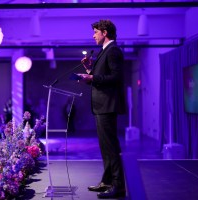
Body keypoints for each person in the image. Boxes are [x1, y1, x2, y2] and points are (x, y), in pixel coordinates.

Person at [78, 19, 126, 199]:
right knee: (105, 147)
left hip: (107, 105)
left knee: (111, 147)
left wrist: (92, 79)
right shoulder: (104, 52)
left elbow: (115, 77)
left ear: (105, 32)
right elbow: (102, 77)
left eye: (96, 32)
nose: (93, 35)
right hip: (101, 106)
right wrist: (90, 70)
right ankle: (107, 182)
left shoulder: (113, 51)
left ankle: (118, 186)